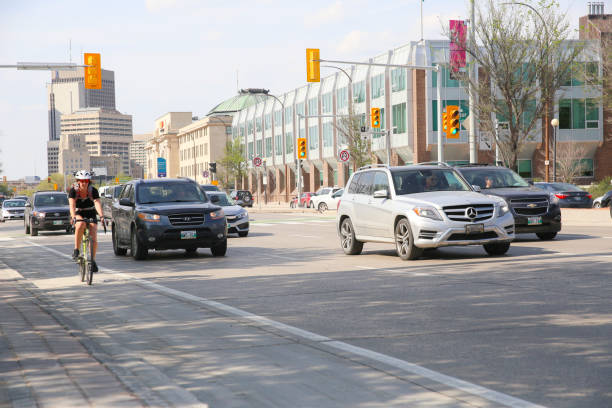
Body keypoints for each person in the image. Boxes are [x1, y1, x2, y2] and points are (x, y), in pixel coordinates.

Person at [69, 170, 104, 272]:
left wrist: (101, 216)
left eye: (86, 181)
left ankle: (92, 261)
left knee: (93, 234)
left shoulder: (93, 190)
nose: (84, 183)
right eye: (82, 181)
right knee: (80, 225)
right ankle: (76, 250)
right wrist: (73, 217)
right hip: (79, 212)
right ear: (78, 181)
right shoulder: (73, 191)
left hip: (90, 212)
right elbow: (72, 205)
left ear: (89, 181)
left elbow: (97, 203)